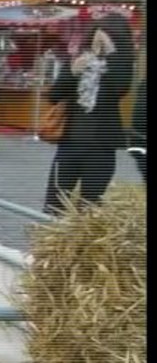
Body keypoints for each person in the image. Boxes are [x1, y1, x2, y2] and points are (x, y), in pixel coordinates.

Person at [43, 13, 135, 214]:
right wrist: (72, 73)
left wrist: (110, 52)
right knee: (55, 203)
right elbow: (54, 96)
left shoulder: (122, 65)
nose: (99, 40)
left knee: (90, 207)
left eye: (107, 37)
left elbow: (118, 89)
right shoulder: (78, 60)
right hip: (69, 145)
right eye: (97, 34)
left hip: (100, 148)